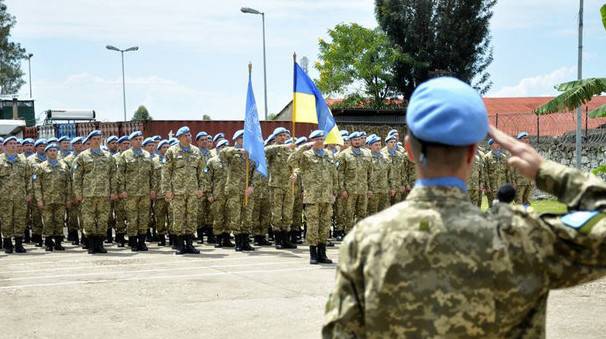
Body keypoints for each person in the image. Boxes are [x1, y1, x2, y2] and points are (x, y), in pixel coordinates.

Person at [323, 77, 606, 338]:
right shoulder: (520, 237)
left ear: (409, 150)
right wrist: (545, 171)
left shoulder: (364, 242)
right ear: (473, 151)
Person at [288, 130, 337, 264]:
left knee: (325, 225)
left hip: (327, 196)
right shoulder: (306, 155)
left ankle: (323, 253)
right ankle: (313, 254)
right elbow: (291, 160)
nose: (320, 141)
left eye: (322, 138)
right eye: (317, 139)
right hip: (312, 196)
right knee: (313, 225)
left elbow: (334, 174)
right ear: (312, 140)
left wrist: (334, 192)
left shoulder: (329, 154)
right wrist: (304, 146)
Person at [73, 130, 118, 254]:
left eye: (99, 138)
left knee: (103, 219)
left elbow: (113, 175)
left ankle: (100, 244)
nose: (97, 141)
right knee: (88, 220)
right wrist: (78, 193)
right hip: (88, 194)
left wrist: (113, 191)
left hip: (104, 194)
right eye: (94, 139)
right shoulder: (82, 156)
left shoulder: (108, 156)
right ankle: (91, 244)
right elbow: (77, 176)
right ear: (89, 140)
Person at [161, 126, 205, 255]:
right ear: (179, 137)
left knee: (191, 217)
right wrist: (167, 190)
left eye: (190, 135)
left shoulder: (197, 152)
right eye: (186, 135)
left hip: (192, 192)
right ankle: (180, 245)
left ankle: (190, 244)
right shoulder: (172, 151)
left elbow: (202, 172)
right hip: (177, 192)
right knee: (178, 218)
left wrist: (202, 188)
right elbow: (166, 172)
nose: (189, 137)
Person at [116, 131, 156, 252]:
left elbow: (153, 174)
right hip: (130, 193)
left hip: (145, 193)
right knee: (132, 218)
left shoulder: (147, 155)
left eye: (140, 139)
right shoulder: (125, 155)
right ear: (131, 141)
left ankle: (142, 242)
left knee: (144, 218)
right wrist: (122, 190)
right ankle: (133, 242)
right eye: (136, 139)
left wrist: (153, 189)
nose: (139, 141)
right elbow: (120, 175)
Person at [220, 130, 255, 251]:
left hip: (247, 190)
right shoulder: (232, 153)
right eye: (243, 138)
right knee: (235, 216)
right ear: (237, 139)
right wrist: (239, 151)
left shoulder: (252, 153)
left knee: (247, 216)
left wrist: (252, 186)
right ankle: (238, 242)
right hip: (234, 190)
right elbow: (222, 153)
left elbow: (257, 171)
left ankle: (245, 241)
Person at [33, 143, 72, 251]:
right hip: (46, 200)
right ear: (46, 153)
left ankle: (58, 242)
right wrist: (39, 199)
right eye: (50, 151)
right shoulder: (41, 167)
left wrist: (68, 199)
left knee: (59, 221)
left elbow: (68, 184)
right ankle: (48, 242)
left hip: (60, 199)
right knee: (48, 221)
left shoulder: (64, 166)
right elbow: (36, 185)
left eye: (54, 150)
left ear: (57, 152)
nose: (53, 152)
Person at [0, 136, 32, 253]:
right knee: (6, 219)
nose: (13, 145)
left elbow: (28, 178)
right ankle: (7, 243)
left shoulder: (23, 160)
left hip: (20, 196)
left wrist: (29, 193)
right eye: (10, 143)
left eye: (15, 143)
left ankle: (19, 244)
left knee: (20, 219)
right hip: (4, 197)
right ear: (5, 146)